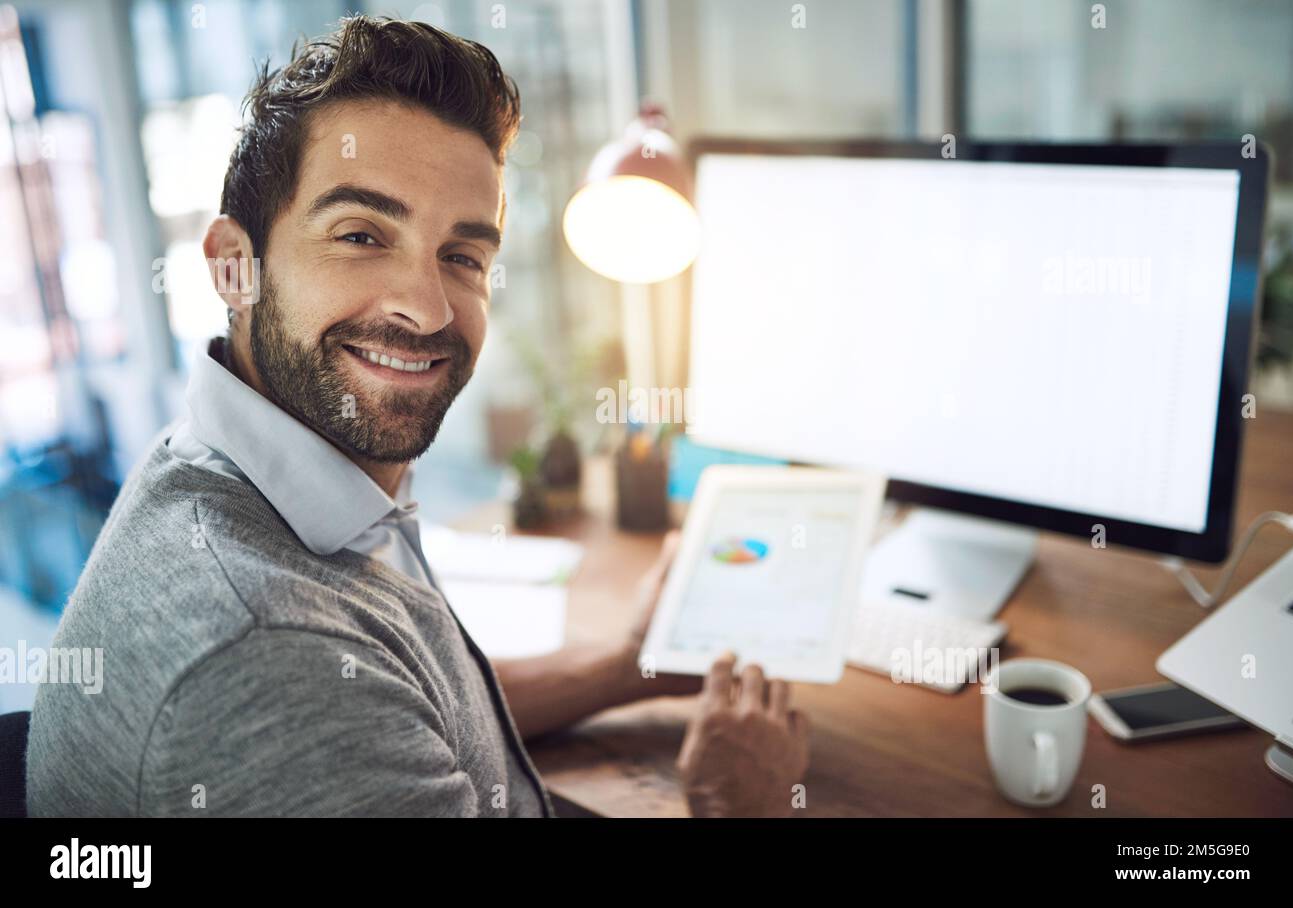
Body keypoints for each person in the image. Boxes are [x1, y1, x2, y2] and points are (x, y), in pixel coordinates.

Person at [27, 14, 808, 818]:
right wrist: (734, 803)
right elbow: (330, 712)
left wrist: (622, 665)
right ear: (235, 266)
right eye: (362, 234)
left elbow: (405, 710)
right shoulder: (265, 661)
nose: (428, 309)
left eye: (463, 256)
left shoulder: (232, 465)